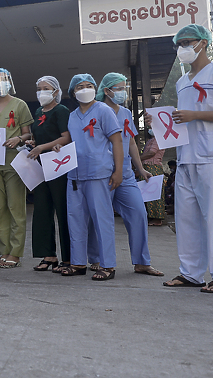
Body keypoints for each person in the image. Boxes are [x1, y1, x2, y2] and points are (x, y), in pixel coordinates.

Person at [150, 24, 213, 293]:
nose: (183, 49)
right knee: (187, 217)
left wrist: (196, 115)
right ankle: (190, 273)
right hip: (186, 156)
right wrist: (162, 120)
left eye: (188, 42)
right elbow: (184, 119)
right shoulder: (182, 81)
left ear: (203, 42)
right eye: (179, 44)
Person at [95, 73, 163, 277]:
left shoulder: (125, 112)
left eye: (124, 87)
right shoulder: (96, 111)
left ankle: (142, 262)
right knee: (101, 219)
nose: (122, 92)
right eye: (118, 88)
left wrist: (140, 168)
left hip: (126, 174)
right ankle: (100, 261)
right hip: (104, 174)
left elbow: (131, 141)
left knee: (138, 214)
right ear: (107, 91)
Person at [59, 74, 123, 281]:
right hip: (75, 175)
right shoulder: (72, 115)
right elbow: (73, 140)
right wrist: (60, 146)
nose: (85, 89)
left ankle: (107, 265)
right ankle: (78, 263)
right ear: (73, 92)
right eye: (80, 86)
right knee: (75, 220)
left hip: (98, 173)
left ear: (95, 89)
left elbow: (117, 141)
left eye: (89, 86)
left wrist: (118, 171)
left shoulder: (103, 111)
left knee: (102, 220)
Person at [0, 68, 33, 268]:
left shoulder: (20, 105)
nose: (1, 83)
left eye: (4, 79)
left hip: (13, 163)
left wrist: (18, 138)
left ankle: (16, 253)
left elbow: (28, 135)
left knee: (15, 207)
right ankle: (4, 252)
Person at [26, 76, 72, 273]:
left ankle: (69, 258)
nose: (41, 92)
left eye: (46, 88)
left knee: (63, 211)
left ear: (55, 92)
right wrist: (32, 143)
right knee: (42, 211)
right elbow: (37, 135)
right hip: (40, 166)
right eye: (39, 88)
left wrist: (42, 147)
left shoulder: (61, 111)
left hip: (58, 164)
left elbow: (67, 136)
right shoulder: (38, 112)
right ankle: (48, 255)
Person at [140, 129, 167, 225]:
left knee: (153, 192)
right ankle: (150, 216)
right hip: (147, 167)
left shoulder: (158, 139)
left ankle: (157, 217)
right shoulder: (151, 140)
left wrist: (137, 158)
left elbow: (152, 153)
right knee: (147, 192)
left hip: (153, 167)